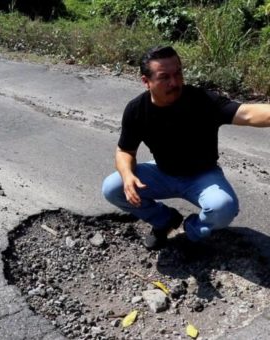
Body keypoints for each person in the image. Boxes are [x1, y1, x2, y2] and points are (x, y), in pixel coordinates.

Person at [102, 46, 270, 250]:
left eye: (178, 73)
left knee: (223, 207)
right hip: (162, 172)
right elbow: (124, 151)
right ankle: (163, 221)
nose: (175, 82)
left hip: (203, 175)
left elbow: (248, 113)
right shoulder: (137, 109)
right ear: (146, 81)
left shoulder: (201, 100)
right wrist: (128, 175)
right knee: (112, 187)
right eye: (165, 77)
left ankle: (193, 230)